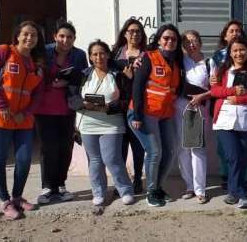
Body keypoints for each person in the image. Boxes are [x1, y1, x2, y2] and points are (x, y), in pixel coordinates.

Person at [0, 21, 45, 220]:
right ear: (17, 35)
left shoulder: (37, 63)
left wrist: (25, 114)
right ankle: (5, 201)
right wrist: (1, 105)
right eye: (26, 34)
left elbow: (37, 95)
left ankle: (17, 197)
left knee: (24, 159)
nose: (29, 38)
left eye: (33, 35)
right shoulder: (4, 51)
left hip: (23, 119)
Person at [129, 24, 182, 207]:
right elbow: (137, 86)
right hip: (144, 113)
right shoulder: (149, 57)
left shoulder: (176, 63)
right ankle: (151, 191)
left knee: (171, 150)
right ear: (159, 39)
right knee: (154, 151)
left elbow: (176, 88)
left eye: (173, 39)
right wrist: (136, 115)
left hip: (165, 113)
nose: (170, 41)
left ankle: (158, 187)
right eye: (166, 38)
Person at [35, 21, 88, 204]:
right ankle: (48, 187)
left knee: (65, 147)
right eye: (62, 36)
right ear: (55, 36)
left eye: (70, 37)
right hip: (43, 107)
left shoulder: (79, 55)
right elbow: (35, 75)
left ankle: (61, 185)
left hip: (67, 107)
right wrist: (50, 82)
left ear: (74, 39)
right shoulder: (44, 52)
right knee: (48, 148)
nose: (66, 40)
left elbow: (83, 78)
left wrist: (67, 83)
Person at [211, 37, 247, 209]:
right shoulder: (223, 70)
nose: (238, 53)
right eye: (235, 50)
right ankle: (242, 195)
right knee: (233, 156)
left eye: (242, 49)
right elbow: (214, 90)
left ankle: (233, 192)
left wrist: (241, 99)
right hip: (224, 121)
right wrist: (232, 91)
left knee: (242, 159)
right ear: (230, 53)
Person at [77, 40, 134, 206]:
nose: (98, 57)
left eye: (102, 53)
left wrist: (109, 107)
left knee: (112, 159)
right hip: (88, 124)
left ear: (108, 55)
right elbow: (72, 97)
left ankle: (125, 190)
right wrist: (82, 104)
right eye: (94, 54)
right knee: (95, 160)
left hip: (112, 123)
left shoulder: (117, 73)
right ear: (90, 57)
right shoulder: (83, 75)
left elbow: (126, 98)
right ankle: (99, 193)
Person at [174, 30, 211, 204]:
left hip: (198, 109)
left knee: (197, 149)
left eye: (195, 40)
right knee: (183, 149)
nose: (191, 44)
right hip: (179, 107)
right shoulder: (179, 62)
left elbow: (215, 88)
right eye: (187, 41)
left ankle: (200, 189)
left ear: (200, 43)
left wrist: (202, 97)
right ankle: (189, 185)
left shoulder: (210, 63)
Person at [209, 20, 247, 187]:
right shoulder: (217, 57)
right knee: (224, 147)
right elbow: (213, 84)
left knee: (244, 148)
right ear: (225, 36)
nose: (235, 33)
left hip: (244, 105)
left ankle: (245, 179)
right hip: (223, 106)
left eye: (238, 31)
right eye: (231, 31)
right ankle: (227, 176)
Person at [111, 18, 147, 194]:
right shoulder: (115, 53)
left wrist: (134, 77)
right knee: (121, 147)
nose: (134, 34)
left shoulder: (147, 54)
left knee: (138, 146)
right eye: (131, 31)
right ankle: (122, 182)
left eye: (138, 31)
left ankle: (138, 179)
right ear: (125, 33)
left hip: (139, 106)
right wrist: (124, 76)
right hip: (120, 106)